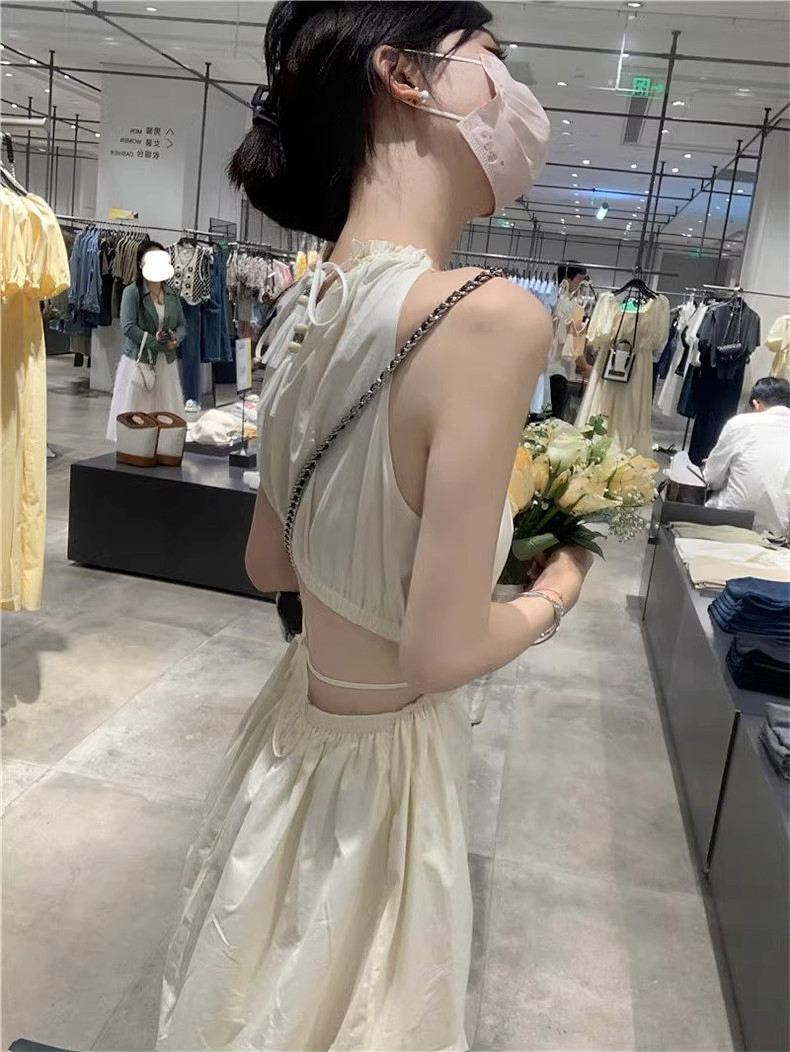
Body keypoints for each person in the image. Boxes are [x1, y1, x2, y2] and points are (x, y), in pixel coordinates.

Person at [156, 4, 593, 1049]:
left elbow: (270, 561)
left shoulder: (303, 309)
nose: (515, 93)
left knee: (246, 991)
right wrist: (556, 588)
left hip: (291, 739)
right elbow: (441, 651)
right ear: (404, 74)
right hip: (383, 781)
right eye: (493, 60)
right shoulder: (490, 316)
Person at [106, 240, 186, 441]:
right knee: (138, 411)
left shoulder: (172, 293)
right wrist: (154, 341)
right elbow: (128, 326)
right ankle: (135, 445)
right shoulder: (132, 292)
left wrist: (175, 338)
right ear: (140, 263)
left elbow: (182, 325)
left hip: (166, 362)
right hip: (140, 361)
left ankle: (163, 445)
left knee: (165, 412)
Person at [705, 376, 790, 536]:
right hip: (782, 531)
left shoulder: (741, 423)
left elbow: (712, 479)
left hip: (733, 520)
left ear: (756, 404)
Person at [549, 260, 592, 420]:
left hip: (539, 371)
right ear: (568, 278)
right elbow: (574, 344)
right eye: (579, 280)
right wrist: (585, 366)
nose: (580, 285)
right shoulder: (570, 306)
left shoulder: (549, 299)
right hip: (558, 372)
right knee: (551, 421)